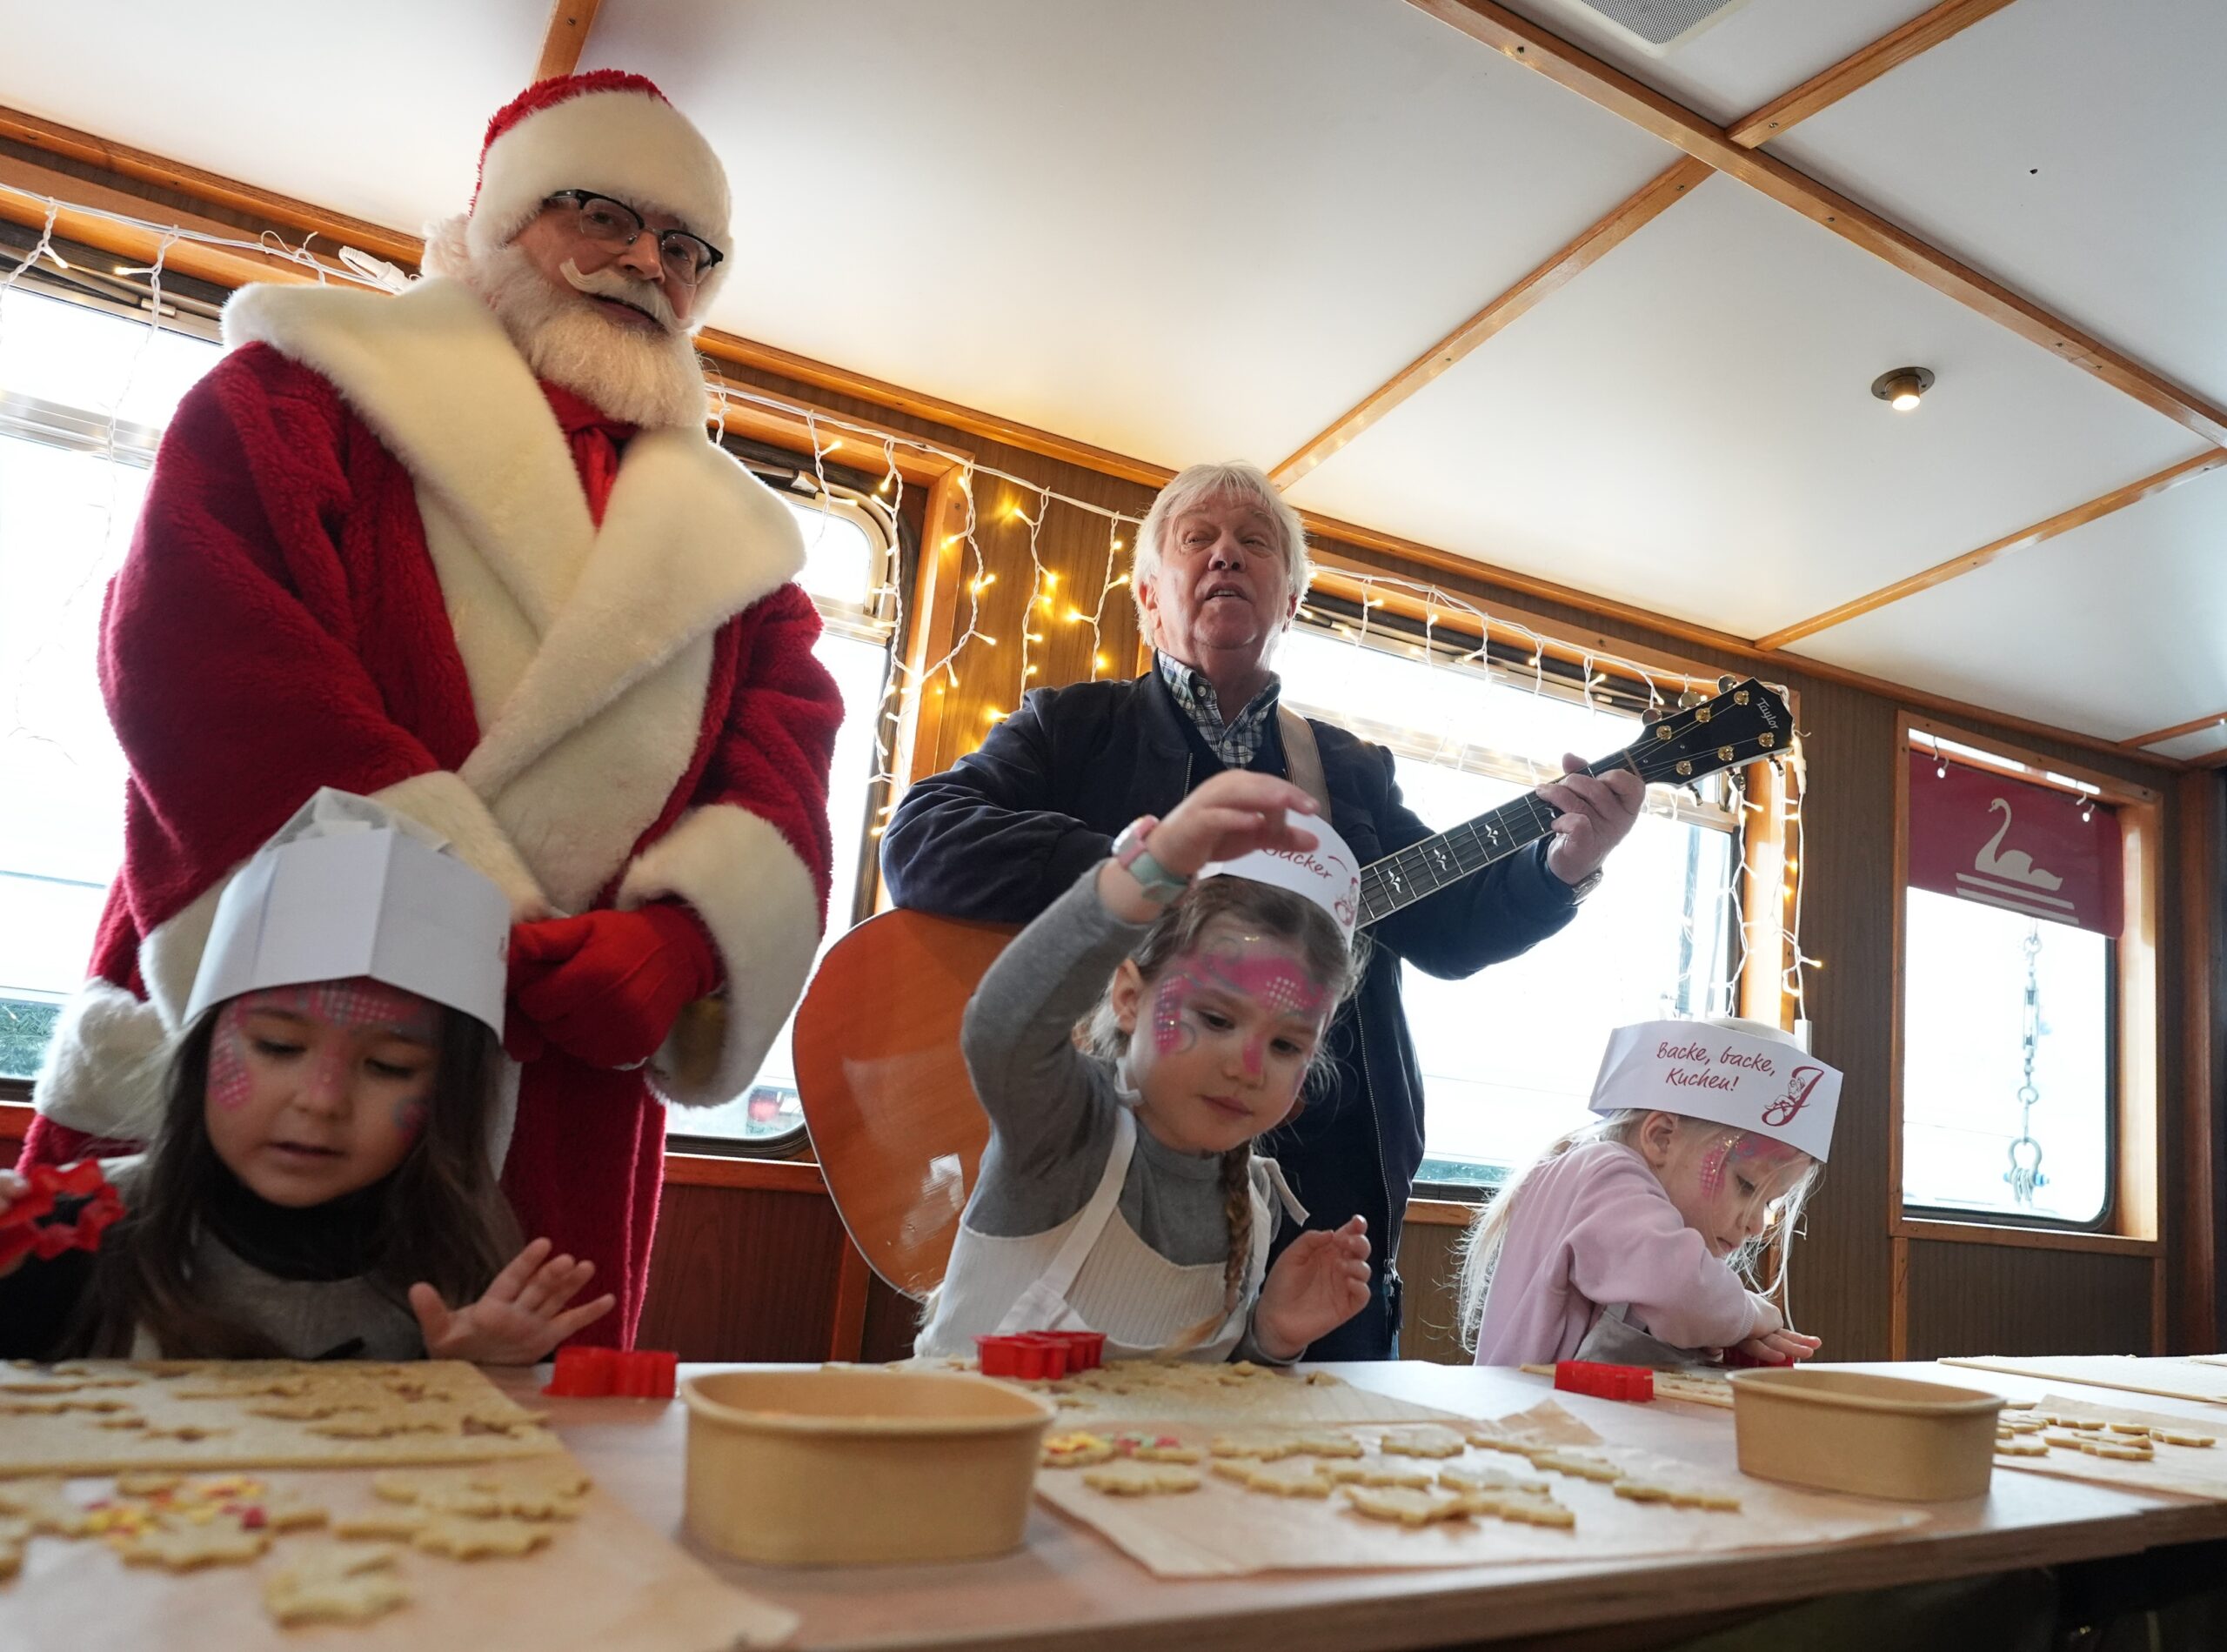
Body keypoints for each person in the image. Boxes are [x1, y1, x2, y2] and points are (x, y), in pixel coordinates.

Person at [17, 71, 843, 1347]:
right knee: (133, 1440)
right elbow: (207, 657)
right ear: (501, 223)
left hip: (563, 1074)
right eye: (601, 215)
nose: (646, 263)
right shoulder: (295, 397)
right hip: (281, 1016)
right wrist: (453, 920)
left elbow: (783, 760)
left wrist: (685, 941)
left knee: (505, 1489)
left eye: (689, 249)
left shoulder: (749, 556)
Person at [882, 460, 1642, 1358]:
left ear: (1287, 602)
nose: (1225, 557)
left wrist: (1557, 868)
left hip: (1323, 1184)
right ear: (1148, 599)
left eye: (1254, 544)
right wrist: (1155, 874)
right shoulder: (1069, 728)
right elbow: (923, 839)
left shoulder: (1347, 770)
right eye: (1196, 539)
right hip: (1089, 1142)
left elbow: (1445, 930)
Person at [1, 793, 611, 1361]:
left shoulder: (469, 1272)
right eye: (278, 1046)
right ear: (202, 1052)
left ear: (446, 1096)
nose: (322, 1101)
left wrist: (474, 1381)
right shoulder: (71, 1233)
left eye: (387, 1066)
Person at [915, 771, 1373, 1362]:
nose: (1248, 1066)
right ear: (1130, 998)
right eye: (1214, 1018)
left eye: (1286, 1045)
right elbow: (1002, 1028)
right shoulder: (1069, 1131)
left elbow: (1199, 1402)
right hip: (967, 1453)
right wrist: (1147, 871)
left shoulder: (1255, 1200)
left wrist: (1270, 1336)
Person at [1460, 1017, 1840, 1368]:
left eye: (1769, 1203)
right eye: (1746, 1186)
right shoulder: (1605, 1174)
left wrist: (1715, 1334)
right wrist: (1752, 1314)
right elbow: (1684, 1294)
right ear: (1662, 1138)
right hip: (1526, 1428)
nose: (1757, 1225)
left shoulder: (1623, 1214)